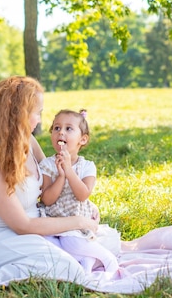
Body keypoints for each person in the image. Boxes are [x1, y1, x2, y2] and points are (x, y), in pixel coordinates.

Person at [0, 76, 99, 284]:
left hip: (37, 226)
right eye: (38, 113)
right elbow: (22, 225)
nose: (40, 120)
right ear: (19, 114)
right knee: (70, 270)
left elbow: (52, 178)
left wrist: (84, 205)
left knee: (98, 250)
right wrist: (78, 222)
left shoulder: (27, 140)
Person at [39, 109, 119, 274]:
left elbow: (82, 195)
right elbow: (47, 200)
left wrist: (69, 170)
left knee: (71, 243)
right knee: (47, 247)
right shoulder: (46, 165)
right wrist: (61, 177)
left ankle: (106, 258)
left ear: (82, 139)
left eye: (68, 129)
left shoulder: (87, 166)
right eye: (56, 128)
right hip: (53, 221)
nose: (61, 132)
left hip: (76, 221)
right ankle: (86, 261)